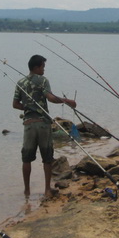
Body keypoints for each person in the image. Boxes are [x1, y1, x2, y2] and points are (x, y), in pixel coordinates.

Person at [12, 54, 76, 199]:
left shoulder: (20, 82)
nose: (44, 70)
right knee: (47, 157)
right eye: (43, 67)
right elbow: (51, 98)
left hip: (28, 124)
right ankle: (47, 189)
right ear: (36, 67)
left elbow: (15, 104)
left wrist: (29, 108)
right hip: (42, 124)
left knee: (26, 159)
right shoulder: (43, 81)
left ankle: (27, 191)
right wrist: (67, 101)